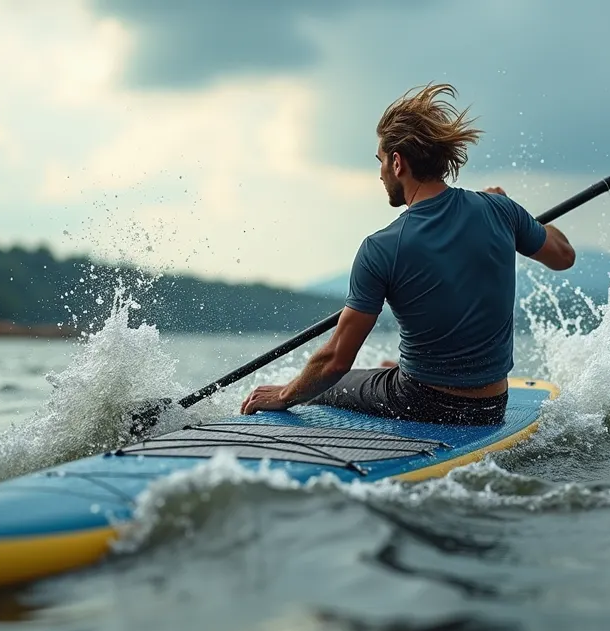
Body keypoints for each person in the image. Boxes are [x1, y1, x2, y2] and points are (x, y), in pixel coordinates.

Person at [240, 83, 576, 425]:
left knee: (330, 386)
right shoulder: (500, 211)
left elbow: (335, 363)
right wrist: (514, 215)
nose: (381, 172)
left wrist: (284, 395)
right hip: (492, 406)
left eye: (381, 161)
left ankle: (400, 375)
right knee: (383, 373)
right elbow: (564, 255)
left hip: (422, 403)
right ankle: (404, 370)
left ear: (398, 163)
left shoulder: (381, 246)